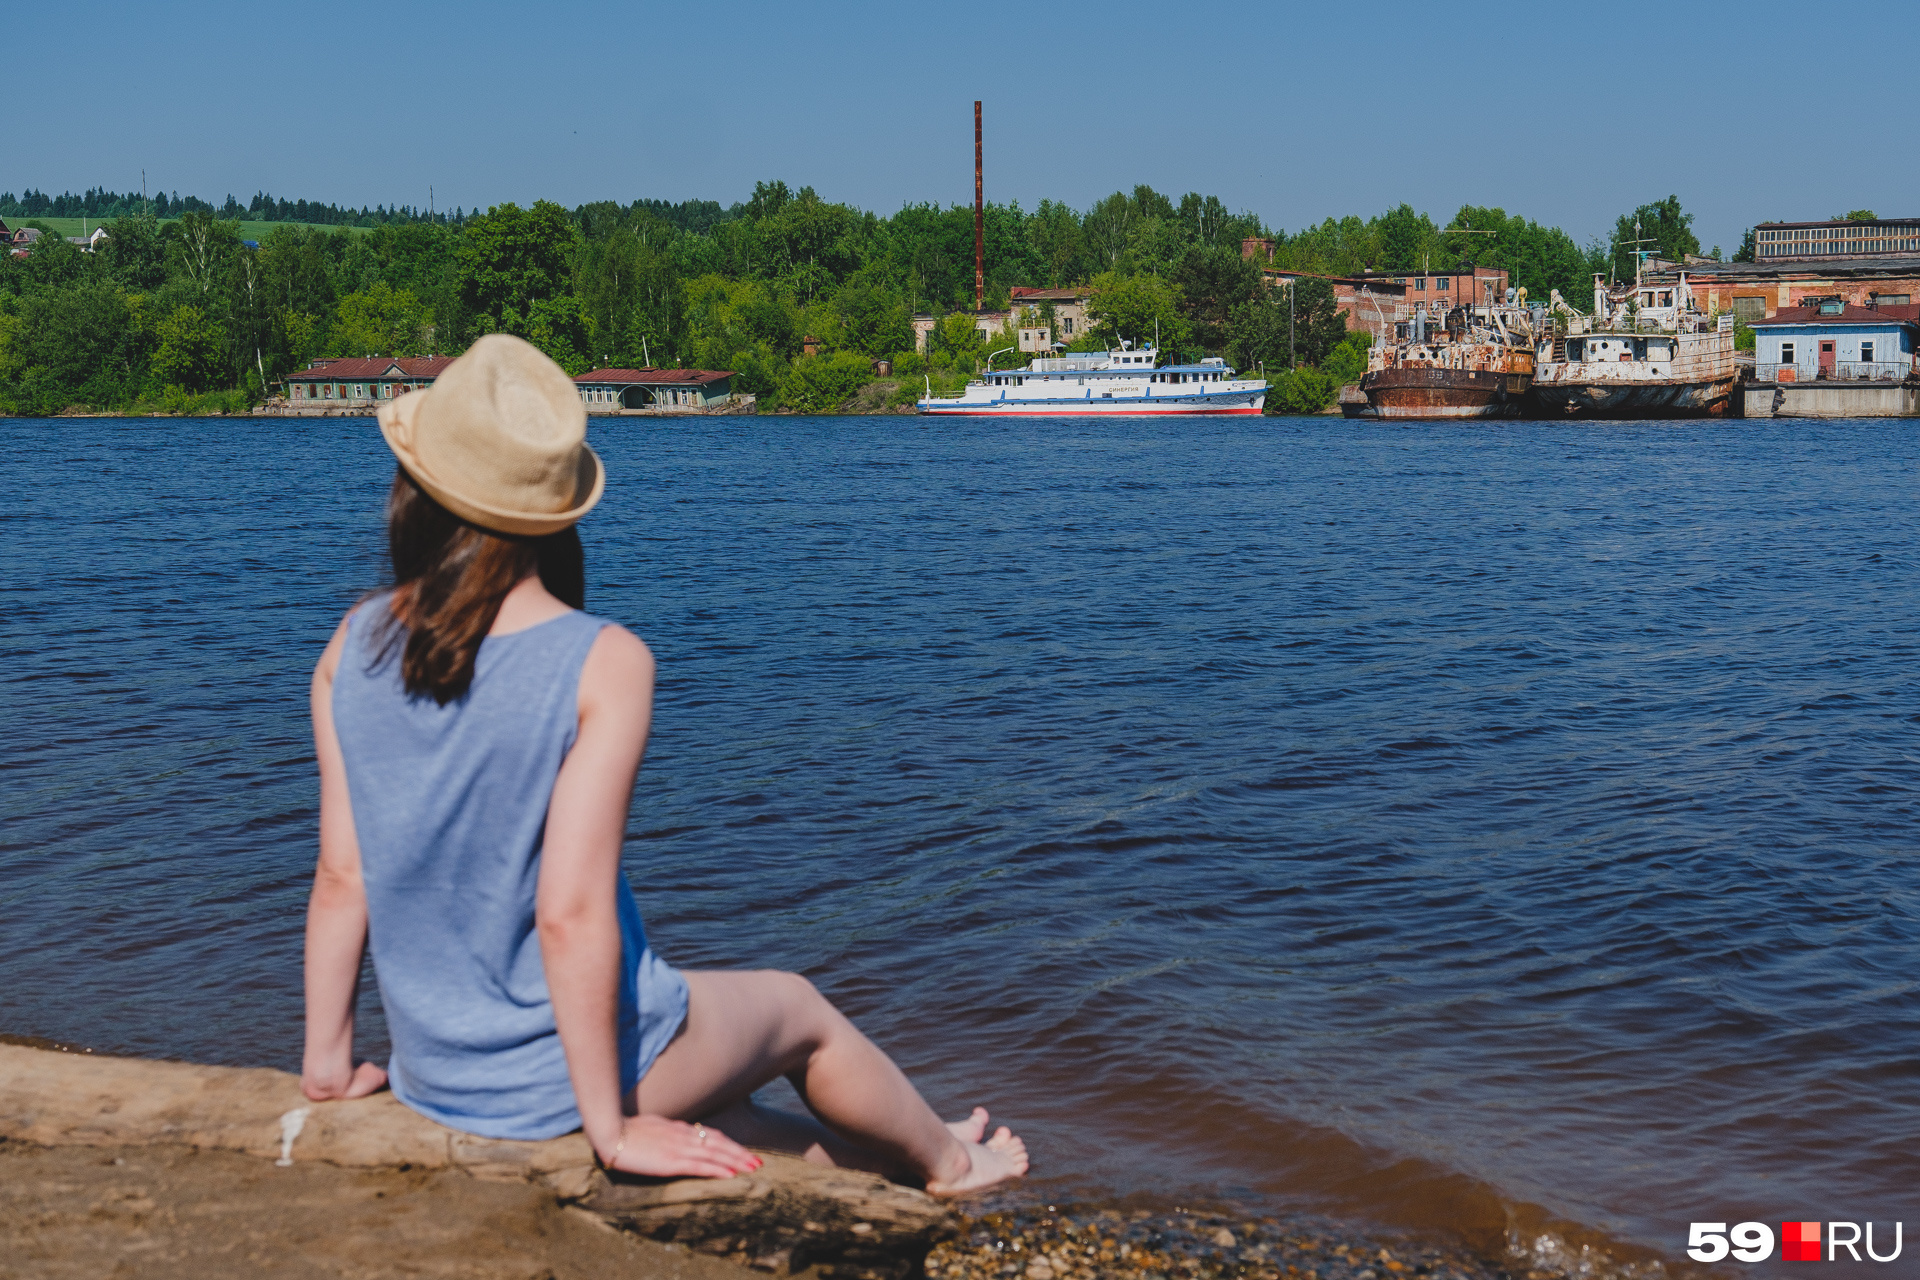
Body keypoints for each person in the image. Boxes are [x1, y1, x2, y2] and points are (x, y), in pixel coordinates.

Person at [299, 335, 1027, 1192]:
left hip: (440, 1077)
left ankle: (897, 1144)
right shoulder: (601, 658)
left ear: (414, 491)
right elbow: (569, 913)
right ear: (558, 509)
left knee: (732, 1113)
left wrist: (327, 1068)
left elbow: (342, 876)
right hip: (561, 1087)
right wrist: (610, 1131)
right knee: (798, 1008)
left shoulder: (353, 644)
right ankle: (950, 1165)